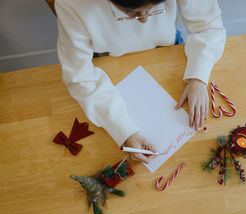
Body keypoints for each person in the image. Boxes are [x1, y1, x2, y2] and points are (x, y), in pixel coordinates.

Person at [55, 0, 226, 163]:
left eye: (153, 9)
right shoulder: (70, 3)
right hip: (109, 59)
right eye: (130, 12)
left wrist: (198, 76)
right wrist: (124, 131)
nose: (144, 20)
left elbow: (208, 27)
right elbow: (79, 76)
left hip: (168, 50)